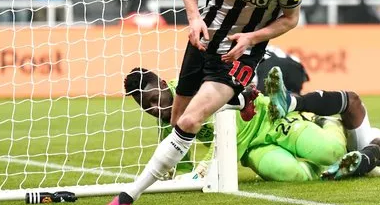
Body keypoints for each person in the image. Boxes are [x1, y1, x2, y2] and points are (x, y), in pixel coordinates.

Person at [105, 0, 305, 205]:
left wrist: (252, 37)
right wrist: (194, 18)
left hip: (239, 55)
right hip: (202, 41)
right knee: (174, 118)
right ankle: (240, 102)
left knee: (189, 120)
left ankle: (127, 196)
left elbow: (290, 19)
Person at [121, 67, 346, 183]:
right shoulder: (167, 122)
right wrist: (179, 177)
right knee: (294, 175)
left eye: (154, 100)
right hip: (251, 149)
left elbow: (227, 130)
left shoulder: (195, 87)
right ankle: (326, 170)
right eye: (146, 107)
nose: (154, 109)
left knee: (330, 152)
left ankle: (328, 121)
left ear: (162, 84)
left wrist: (203, 170)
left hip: (267, 119)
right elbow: (180, 163)